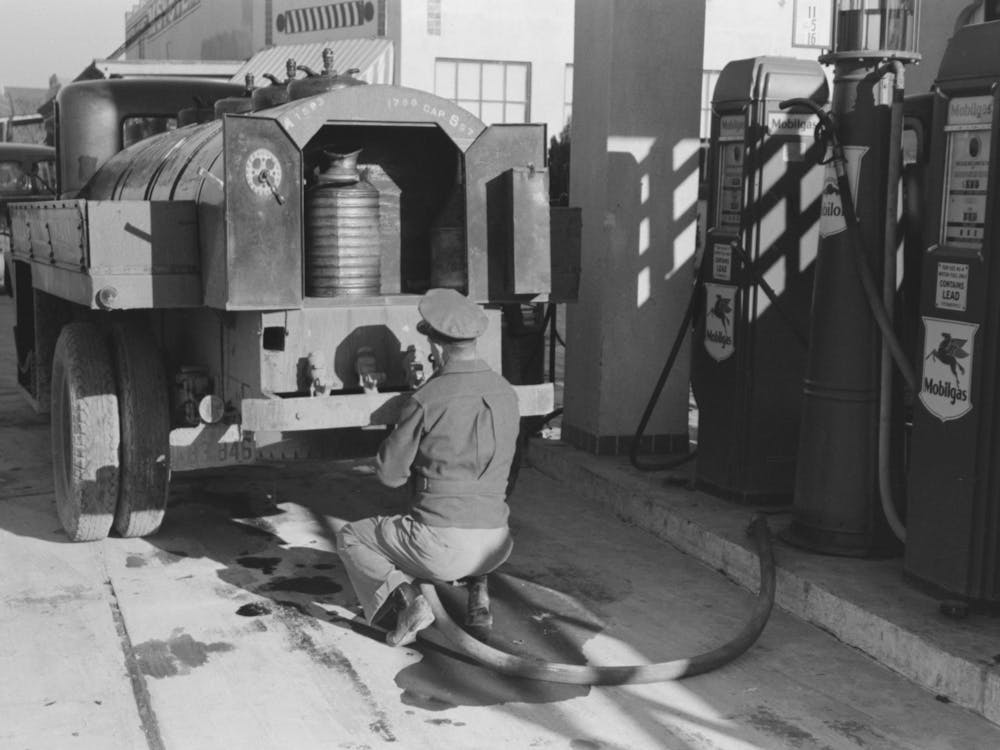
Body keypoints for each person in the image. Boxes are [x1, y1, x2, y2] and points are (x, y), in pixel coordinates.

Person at [336, 288, 520, 646]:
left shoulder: (428, 398)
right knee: (472, 512)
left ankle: (407, 602)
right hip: (499, 542)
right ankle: (479, 590)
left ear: (435, 347)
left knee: (351, 537)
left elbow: (390, 477)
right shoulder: (506, 393)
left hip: (444, 549)